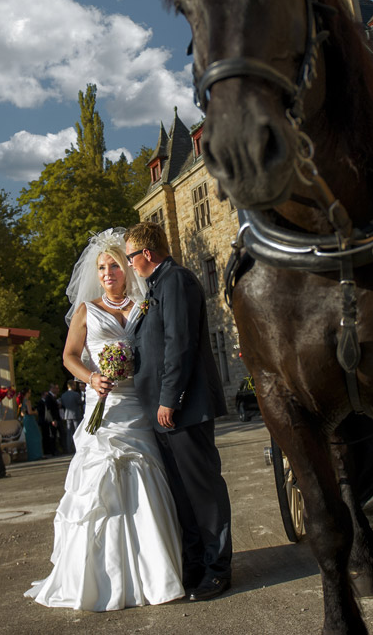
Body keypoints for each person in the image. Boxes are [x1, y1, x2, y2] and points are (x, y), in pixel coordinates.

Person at [26, 227, 185, 611]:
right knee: (99, 484)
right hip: (104, 406)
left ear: (128, 267)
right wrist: (90, 377)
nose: (108, 272)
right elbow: (69, 356)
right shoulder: (86, 311)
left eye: (114, 264)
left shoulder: (143, 307)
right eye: (101, 268)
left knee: (147, 479)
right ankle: (100, 580)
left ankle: (156, 575)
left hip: (137, 406)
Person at [125, 221, 232, 601]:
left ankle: (218, 569)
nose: (129, 264)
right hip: (162, 412)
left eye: (130, 257)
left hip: (183, 408)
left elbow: (180, 344)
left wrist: (169, 398)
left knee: (203, 491)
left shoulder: (177, 281)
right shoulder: (155, 287)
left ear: (147, 254)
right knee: (181, 495)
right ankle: (196, 565)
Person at [58, 379, 83, 454]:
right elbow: (80, 403)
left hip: (67, 415)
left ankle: (69, 448)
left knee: (69, 433)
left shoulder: (63, 395)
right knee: (77, 431)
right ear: (72, 385)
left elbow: (63, 405)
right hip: (76, 414)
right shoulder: (76, 394)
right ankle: (78, 447)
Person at [19, 387, 43, 461]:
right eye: (29, 392)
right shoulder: (28, 401)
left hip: (25, 420)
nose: (30, 394)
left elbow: (22, 413)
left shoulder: (22, 401)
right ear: (27, 393)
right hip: (30, 419)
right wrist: (35, 412)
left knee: (29, 437)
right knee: (36, 436)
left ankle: (32, 454)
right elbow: (30, 412)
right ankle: (37, 454)